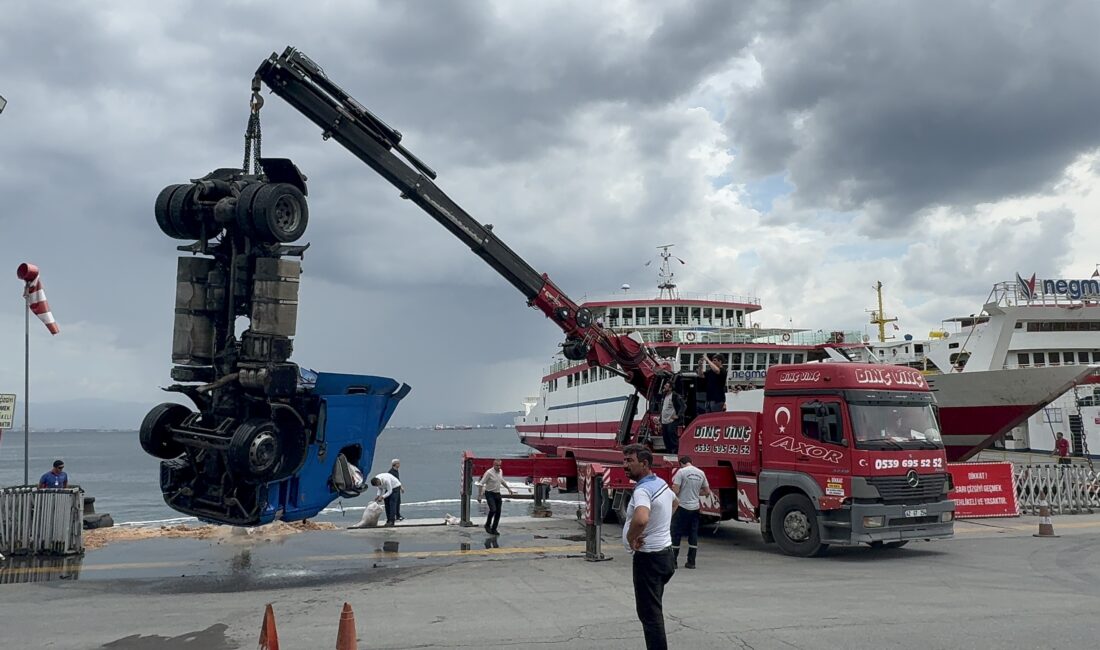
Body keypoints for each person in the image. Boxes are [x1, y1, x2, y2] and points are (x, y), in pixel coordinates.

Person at [622, 443, 678, 650]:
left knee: (650, 615)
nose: (625, 465)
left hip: (649, 560)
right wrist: (660, 526)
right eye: (624, 460)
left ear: (644, 463)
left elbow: (641, 519)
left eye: (630, 461)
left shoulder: (643, 490)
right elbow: (675, 502)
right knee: (653, 609)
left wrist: (631, 538)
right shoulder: (661, 483)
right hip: (666, 556)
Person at [671, 456, 711, 569]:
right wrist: (695, 493)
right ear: (691, 462)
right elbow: (707, 491)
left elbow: (676, 491)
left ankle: (673, 561)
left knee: (676, 533)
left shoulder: (681, 472)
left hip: (682, 507)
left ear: (681, 464)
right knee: (693, 534)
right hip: (695, 508)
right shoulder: (701, 473)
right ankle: (691, 562)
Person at [477, 458, 515, 535]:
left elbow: (502, 481)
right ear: (493, 465)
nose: (499, 467)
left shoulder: (500, 471)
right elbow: (481, 484)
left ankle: (494, 529)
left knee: (498, 512)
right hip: (489, 493)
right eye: (497, 465)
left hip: (497, 493)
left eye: (500, 465)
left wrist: (508, 489)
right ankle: (487, 524)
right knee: (493, 509)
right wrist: (480, 495)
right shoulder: (489, 472)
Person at [658, 381, 686, 454]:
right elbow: (663, 408)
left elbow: (683, 406)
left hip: (671, 420)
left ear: (670, 388)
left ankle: (676, 451)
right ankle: (669, 451)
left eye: (666, 386)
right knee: (665, 437)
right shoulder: (664, 396)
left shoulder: (675, 396)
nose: (664, 387)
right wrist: (660, 419)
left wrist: (678, 415)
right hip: (664, 420)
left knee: (672, 435)